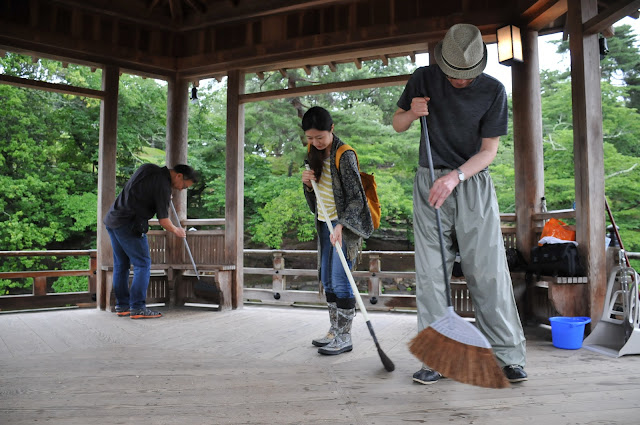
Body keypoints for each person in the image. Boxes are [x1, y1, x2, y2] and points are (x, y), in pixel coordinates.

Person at [392, 23, 528, 384]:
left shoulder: (494, 91)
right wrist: (412, 112)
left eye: (466, 75)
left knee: (488, 271)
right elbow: (397, 124)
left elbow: (488, 152)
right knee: (431, 274)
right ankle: (438, 358)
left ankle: (507, 355)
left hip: (471, 181)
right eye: (453, 74)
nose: (460, 80)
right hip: (429, 179)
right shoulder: (423, 79)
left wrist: (456, 177)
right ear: (442, 63)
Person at [301, 106, 374, 355]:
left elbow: (357, 198)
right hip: (324, 223)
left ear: (332, 129)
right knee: (328, 280)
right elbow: (314, 199)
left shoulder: (345, 155)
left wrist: (342, 224)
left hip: (344, 225)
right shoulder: (311, 152)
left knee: (341, 281)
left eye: (320, 137)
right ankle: (334, 330)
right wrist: (307, 185)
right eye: (310, 138)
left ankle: (345, 337)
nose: (315, 142)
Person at [104, 163, 198, 319]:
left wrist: (162, 196)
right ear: (179, 175)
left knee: (121, 265)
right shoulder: (163, 187)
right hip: (130, 224)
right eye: (184, 186)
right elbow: (164, 221)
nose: (181, 189)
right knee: (143, 264)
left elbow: (141, 191)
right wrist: (177, 230)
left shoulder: (148, 168)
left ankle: (122, 306)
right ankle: (138, 307)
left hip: (113, 220)